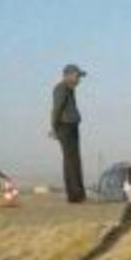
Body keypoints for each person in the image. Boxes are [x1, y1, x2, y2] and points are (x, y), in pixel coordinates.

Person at [50, 64, 87, 203]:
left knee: (73, 160)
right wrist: (54, 128)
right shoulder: (61, 88)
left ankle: (76, 195)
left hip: (71, 126)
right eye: (77, 76)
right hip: (65, 127)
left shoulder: (69, 90)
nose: (79, 80)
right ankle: (75, 195)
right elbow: (56, 109)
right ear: (68, 75)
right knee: (71, 161)